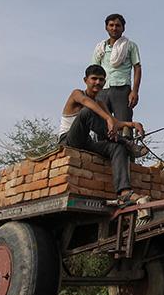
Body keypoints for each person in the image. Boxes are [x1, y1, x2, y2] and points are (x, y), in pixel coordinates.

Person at [59, 64, 146, 203]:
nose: (97, 82)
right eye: (94, 79)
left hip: (86, 143)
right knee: (87, 112)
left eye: (101, 80)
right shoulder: (77, 94)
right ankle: (126, 142)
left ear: (105, 82)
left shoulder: (100, 103)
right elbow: (87, 103)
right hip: (68, 141)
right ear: (85, 80)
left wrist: (132, 124)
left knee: (117, 148)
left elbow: (115, 123)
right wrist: (107, 118)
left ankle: (124, 192)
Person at [91, 13, 141, 134]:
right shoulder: (100, 47)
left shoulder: (130, 46)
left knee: (124, 124)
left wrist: (134, 91)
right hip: (102, 90)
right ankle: (102, 149)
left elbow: (137, 68)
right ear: (106, 27)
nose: (114, 28)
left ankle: (125, 148)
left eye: (118, 25)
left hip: (122, 89)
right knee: (100, 122)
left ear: (123, 28)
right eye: (111, 25)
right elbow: (93, 69)